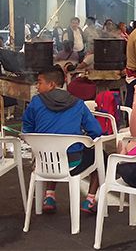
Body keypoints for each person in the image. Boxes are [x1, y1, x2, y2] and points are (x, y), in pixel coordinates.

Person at [22, 66, 103, 214]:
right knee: (101, 156)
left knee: (52, 149)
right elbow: (96, 132)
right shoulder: (78, 103)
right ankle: (90, 201)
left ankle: (49, 197)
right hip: (73, 162)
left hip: (42, 161)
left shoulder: (35, 102)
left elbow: (27, 130)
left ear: (51, 84)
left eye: (39, 83)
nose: (37, 87)